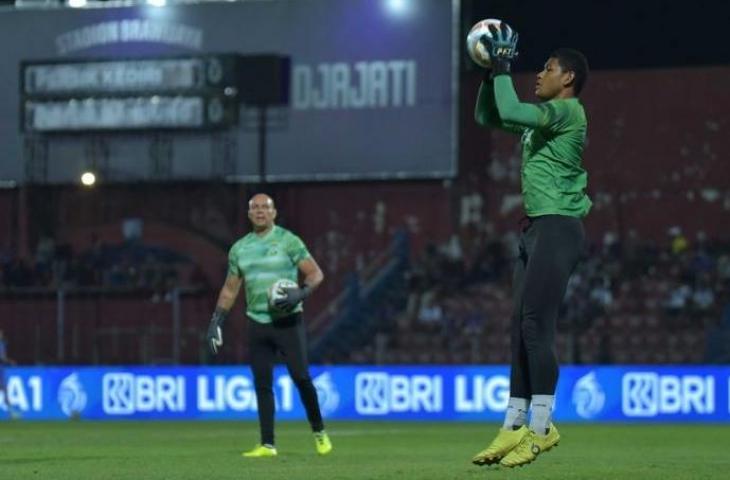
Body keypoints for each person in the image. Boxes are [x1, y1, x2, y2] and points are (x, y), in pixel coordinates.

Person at [470, 23, 591, 468]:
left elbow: (512, 109)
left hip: (559, 226)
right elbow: (489, 116)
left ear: (569, 80)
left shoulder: (569, 112)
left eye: (548, 68)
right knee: (518, 329)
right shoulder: (542, 119)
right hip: (536, 230)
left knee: (536, 325)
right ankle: (512, 425)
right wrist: (488, 73)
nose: (539, 74)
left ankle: (541, 428)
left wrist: (502, 66)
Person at [206, 193, 332, 457]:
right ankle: (267, 444)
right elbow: (230, 290)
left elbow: (315, 273)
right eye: (255, 208)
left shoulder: (289, 241)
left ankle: (319, 431)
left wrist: (301, 293)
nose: (261, 211)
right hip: (257, 323)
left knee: (301, 377)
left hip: (288, 322)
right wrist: (217, 320)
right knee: (262, 383)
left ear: (274, 213)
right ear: (249, 214)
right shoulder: (239, 249)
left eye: (266, 207)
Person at [0, 329, 19, 419]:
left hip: (1, 370)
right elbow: (2, 358)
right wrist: (10, 361)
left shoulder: (2, 344)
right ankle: (12, 413)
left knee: (5, 392)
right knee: (5, 391)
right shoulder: (1, 344)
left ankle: (11, 413)